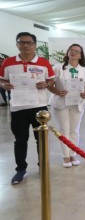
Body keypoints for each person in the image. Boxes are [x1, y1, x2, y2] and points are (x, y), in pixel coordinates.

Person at [0, 32, 55, 184]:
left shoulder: (43, 62)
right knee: (20, 140)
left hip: (39, 108)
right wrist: (4, 85)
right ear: (17, 44)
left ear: (35, 45)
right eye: (22, 42)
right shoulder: (8, 62)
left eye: (29, 42)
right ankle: (21, 169)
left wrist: (46, 84)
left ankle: (42, 167)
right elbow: (2, 81)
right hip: (18, 107)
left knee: (41, 140)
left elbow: (51, 81)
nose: (26, 45)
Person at [48, 44, 85, 167]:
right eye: (71, 50)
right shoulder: (58, 68)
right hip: (61, 103)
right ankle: (65, 157)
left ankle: (73, 154)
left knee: (74, 131)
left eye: (77, 51)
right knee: (64, 130)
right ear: (67, 53)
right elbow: (49, 85)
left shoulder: (84, 70)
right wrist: (58, 92)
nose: (74, 53)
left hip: (77, 103)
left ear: (81, 55)